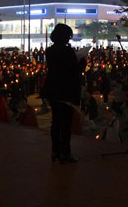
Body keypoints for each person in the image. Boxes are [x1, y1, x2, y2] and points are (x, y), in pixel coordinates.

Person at [44, 24, 84, 164]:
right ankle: (65, 153)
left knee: (55, 122)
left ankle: (55, 151)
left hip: (53, 89)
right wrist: (82, 61)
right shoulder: (68, 52)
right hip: (66, 91)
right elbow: (73, 71)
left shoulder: (49, 51)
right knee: (66, 124)